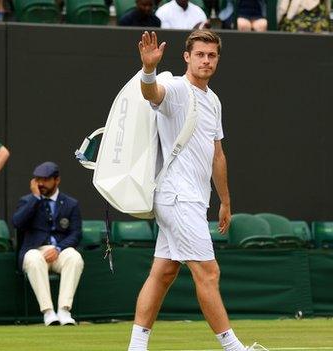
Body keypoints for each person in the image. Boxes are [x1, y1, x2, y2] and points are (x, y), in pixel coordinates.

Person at [128, 30, 266, 351]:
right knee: (208, 272)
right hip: (178, 197)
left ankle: (136, 347)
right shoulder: (176, 88)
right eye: (200, 54)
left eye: (212, 55)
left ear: (217, 59)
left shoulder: (213, 99)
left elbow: (217, 155)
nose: (206, 60)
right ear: (187, 57)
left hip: (192, 199)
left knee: (163, 271)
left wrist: (225, 201)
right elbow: (151, 92)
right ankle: (234, 348)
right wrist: (148, 69)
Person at [12, 162, 84, 326]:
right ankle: (49, 312)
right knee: (33, 259)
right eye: (38, 179)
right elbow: (17, 223)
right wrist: (36, 199)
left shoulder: (71, 203)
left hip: (60, 250)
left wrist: (58, 249)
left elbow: (76, 233)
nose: (41, 184)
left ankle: (64, 311)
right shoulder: (27, 201)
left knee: (74, 258)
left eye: (45, 180)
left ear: (56, 180)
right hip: (35, 250)